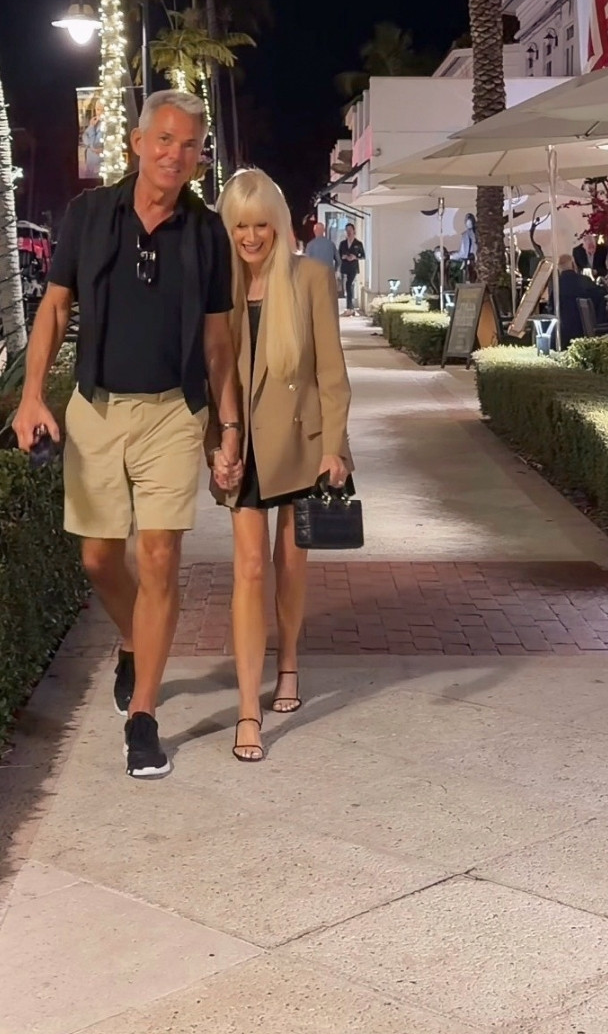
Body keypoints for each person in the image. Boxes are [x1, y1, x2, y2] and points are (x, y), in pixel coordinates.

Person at [13, 89, 241, 780]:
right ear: (138, 143)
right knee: (99, 561)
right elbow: (53, 312)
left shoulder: (207, 235)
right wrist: (30, 398)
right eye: (164, 140)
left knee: (162, 556)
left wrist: (224, 429)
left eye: (190, 145)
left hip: (174, 412)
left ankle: (143, 718)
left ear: (200, 158)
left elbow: (219, 346)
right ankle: (136, 645)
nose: (176, 154)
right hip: (96, 409)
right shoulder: (88, 217)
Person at [213, 168, 352, 762]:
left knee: (288, 564)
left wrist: (334, 447)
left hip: (299, 444)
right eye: (240, 225)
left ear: (278, 224)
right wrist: (215, 446)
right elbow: (211, 375)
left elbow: (332, 374)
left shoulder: (311, 278)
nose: (250, 237)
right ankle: (249, 709)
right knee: (248, 569)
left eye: (260, 225)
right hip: (240, 450)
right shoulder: (218, 290)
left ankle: (288, 662)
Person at [554, 253, 607, 348]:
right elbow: (601, 296)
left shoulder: (556, 285)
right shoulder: (585, 281)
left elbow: (552, 307)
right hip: (584, 328)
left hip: (563, 332)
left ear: (559, 268)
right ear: (574, 265)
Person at [338, 222, 366, 316]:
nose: (348, 232)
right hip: (345, 267)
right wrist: (344, 257)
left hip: (353, 267)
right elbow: (339, 255)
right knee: (347, 287)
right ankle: (350, 308)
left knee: (349, 285)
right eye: (347, 230)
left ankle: (350, 307)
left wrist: (355, 257)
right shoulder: (342, 243)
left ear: (354, 231)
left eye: (350, 230)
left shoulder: (358, 243)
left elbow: (363, 255)